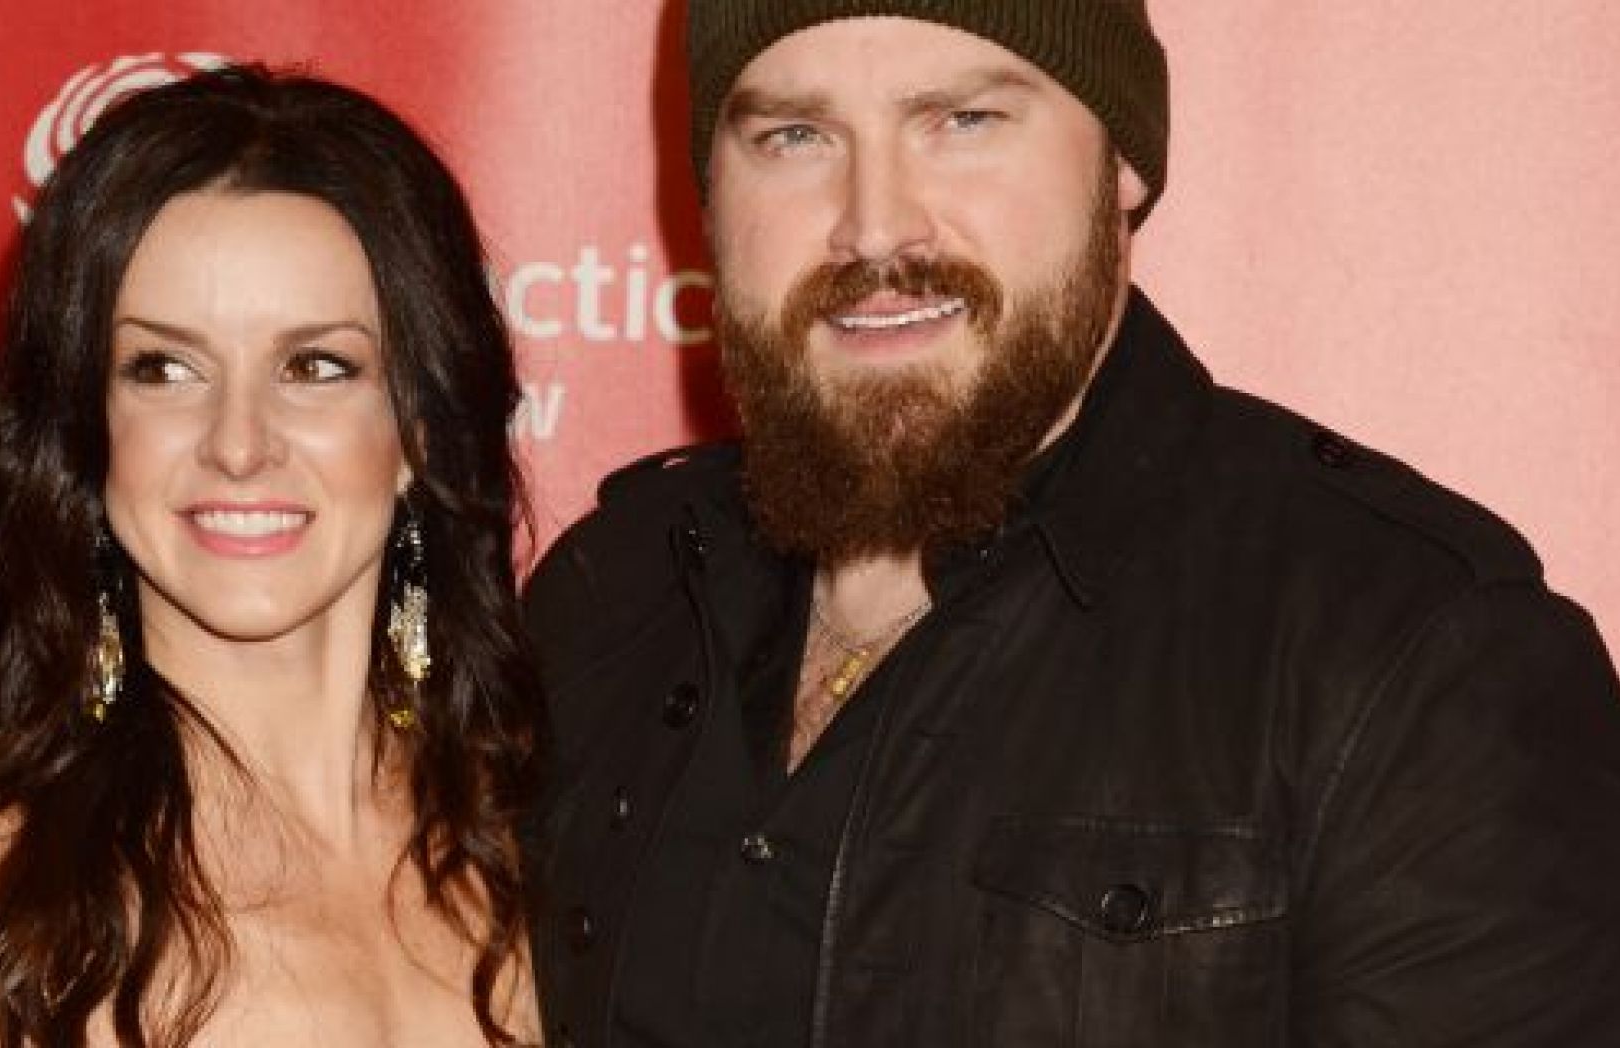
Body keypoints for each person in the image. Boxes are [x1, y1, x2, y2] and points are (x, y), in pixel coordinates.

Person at [523, 3, 1620, 1046]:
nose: (873, 224)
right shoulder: (605, 596)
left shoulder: (1413, 656)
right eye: (795, 135)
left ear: (1124, 162)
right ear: (709, 191)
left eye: (961, 120)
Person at [0, 67, 541, 1047]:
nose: (237, 443)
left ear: (415, 423)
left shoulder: (535, 842)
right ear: (86, 422)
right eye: (164, 368)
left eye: (314, 367)